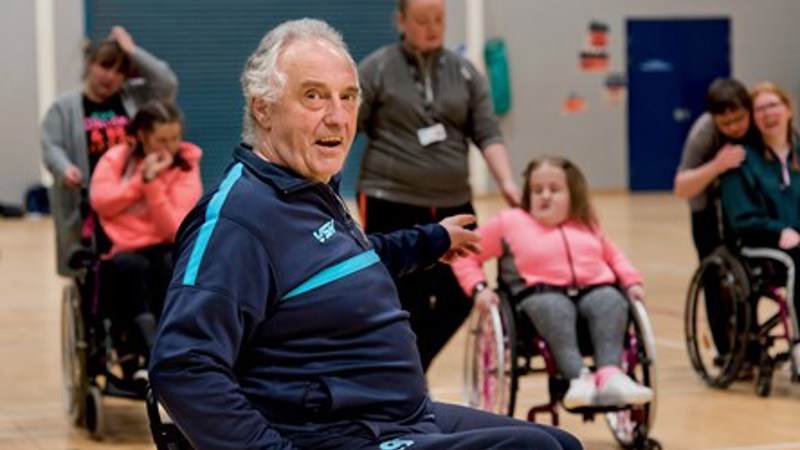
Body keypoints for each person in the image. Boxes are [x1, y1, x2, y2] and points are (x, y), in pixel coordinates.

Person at [149, 18, 582, 450]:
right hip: (339, 435)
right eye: (313, 96)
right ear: (263, 107)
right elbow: (183, 366)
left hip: (401, 416)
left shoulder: (310, 190)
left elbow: (339, 263)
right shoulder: (237, 220)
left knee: (562, 444)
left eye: (348, 97)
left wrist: (433, 240)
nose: (337, 117)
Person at [356, 0, 522, 371]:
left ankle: (411, 369)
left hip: (453, 200)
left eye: (439, 19)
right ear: (400, 20)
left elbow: (487, 131)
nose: (432, 27)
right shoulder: (376, 69)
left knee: (462, 290)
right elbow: (348, 128)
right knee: (402, 294)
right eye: (421, 20)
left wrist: (507, 181)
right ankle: (406, 377)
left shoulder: (464, 72)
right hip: (390, 198)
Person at [452, 156, 654, 409]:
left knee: (611, 300)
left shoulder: (586, 222)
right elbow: (466, 254)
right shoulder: (510, 221)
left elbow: (614, 256)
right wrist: (478, 288)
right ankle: (577, 378)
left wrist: (632, 281)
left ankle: (611, 375)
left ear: (573, 193)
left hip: (595, 288)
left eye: (554, 189)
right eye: (537, 190)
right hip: (539, 296)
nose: (545, 195)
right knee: (553, 307)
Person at [42, 26, 178, 277]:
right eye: (105, 66)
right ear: (90, 64)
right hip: (90, 203)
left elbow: (166, 82)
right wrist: (65, 169)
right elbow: (51, 146)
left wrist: (131, 50)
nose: (110, 76)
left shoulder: (135, 97)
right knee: (97, 270)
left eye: (120, 72)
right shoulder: (64, 107)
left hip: (131, 199)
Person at [90, 101, 202, 377]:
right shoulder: (117, 158)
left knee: (167, 266)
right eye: (161, 140)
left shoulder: (186, 165)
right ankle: (138, 352)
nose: (170, 146)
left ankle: (169, 350)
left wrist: (152, 186)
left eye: (175, 138)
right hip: (125, 248)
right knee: (128, 268)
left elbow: (172, 229)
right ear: (142, 136)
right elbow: (102, 201)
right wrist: (141, 180)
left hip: (166, 246)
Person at [719, 81, 800, 377]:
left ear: (788, 109)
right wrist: (778, 231)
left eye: (774, 105)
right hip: (760, 243)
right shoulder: (741, 159)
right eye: (760, 109)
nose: (768, 114)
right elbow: (742, 216)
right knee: (796, 262)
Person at [674, 78, 753, 260]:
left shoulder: (758, 119)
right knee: (712, 259)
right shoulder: (703, 132)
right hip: (707, 204)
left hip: (749, 201)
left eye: (739, 119)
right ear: (713, 118)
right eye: (725, 123)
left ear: (748, 109)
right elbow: (680, 187)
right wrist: (717, 165)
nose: (734, 127)